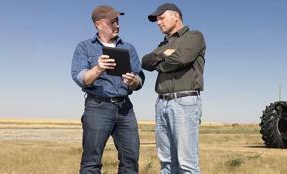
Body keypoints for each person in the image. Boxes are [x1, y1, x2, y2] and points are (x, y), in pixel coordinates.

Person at [71, 5, 145, 174]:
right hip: (97, 107)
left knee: (130, 160)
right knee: (91, 162)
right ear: (98, 24)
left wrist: (133, 81)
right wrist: (98, 68)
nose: (117, 25)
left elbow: (140, 79)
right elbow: (80, 78)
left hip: (125, 109)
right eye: (112, 22)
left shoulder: (129, 47)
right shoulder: (84, 47)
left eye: (118, 21)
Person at [142, 3, 206, 174]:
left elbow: (180, 59)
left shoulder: (194, 36)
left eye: (161, 18)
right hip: (161, 103)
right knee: (167, 163)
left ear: (176, 16)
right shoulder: (164, 44)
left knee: (187, 164)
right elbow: (145, 62)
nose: (158, 22)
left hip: (184, 102)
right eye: (157, 19)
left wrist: (160, 65)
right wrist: (162, 54)